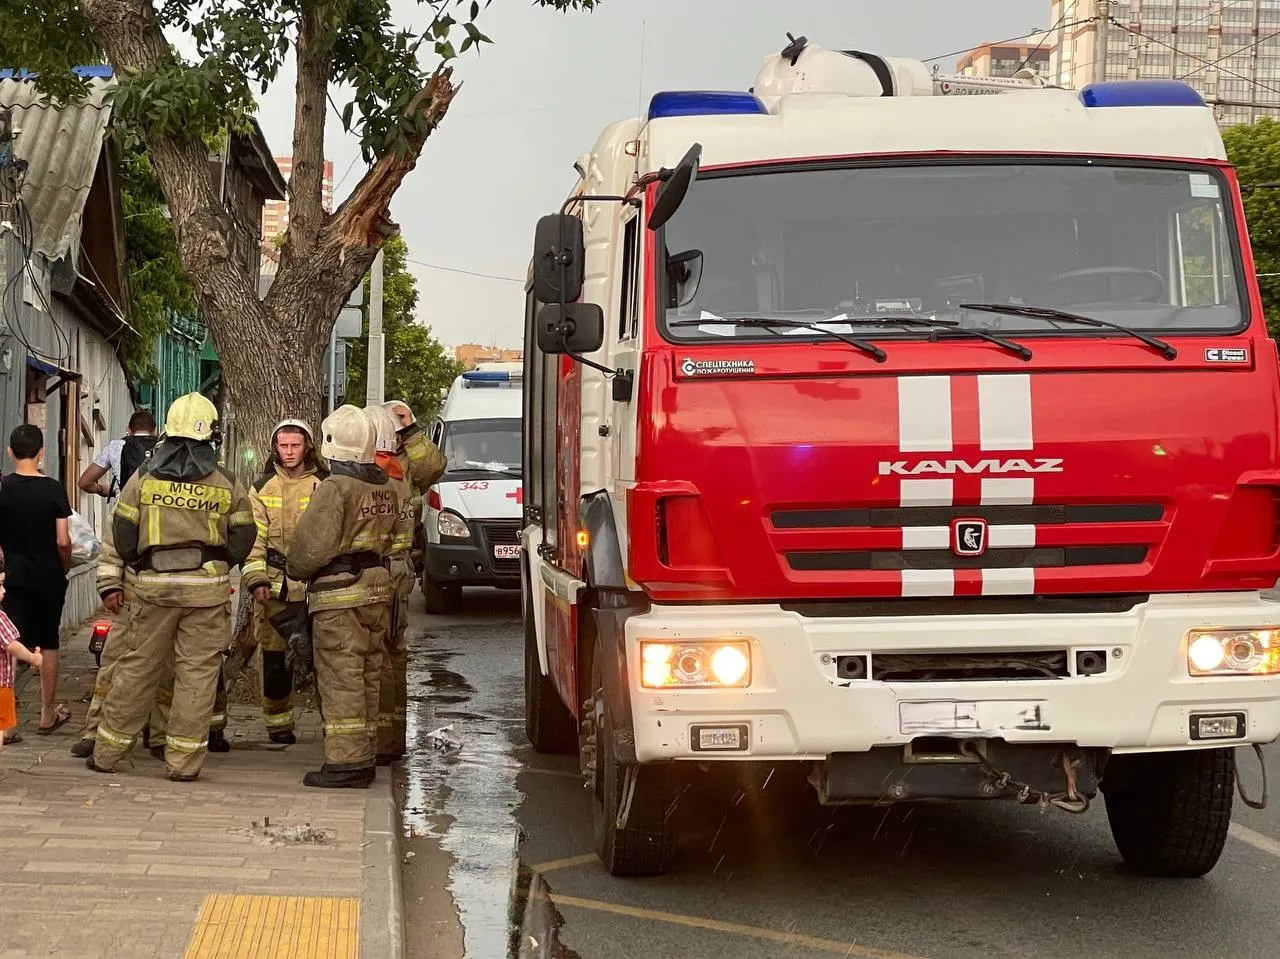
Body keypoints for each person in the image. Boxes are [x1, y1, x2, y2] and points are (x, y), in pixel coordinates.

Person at [89, 392, 255, 782]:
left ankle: (108, 753)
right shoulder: (227, 481)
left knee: (137, 668)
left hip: (153, 591)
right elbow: (244, 536)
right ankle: (183, 763)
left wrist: (138, 566)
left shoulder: (143, 477)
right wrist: (217, 563)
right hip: (206, 593)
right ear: (212, 433)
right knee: (197, 676)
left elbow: (123, 534)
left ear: (169, 428)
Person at [287, 405, 399, 789]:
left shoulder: (336, 487)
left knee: (342, 677)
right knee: (368, 675)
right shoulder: (384, 484)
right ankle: (363, 754)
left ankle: (346, 763)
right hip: (377, 590)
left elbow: (308, 549)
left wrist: (294, 567)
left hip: (340, 596)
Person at [241, 419, 326, 744]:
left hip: (316, 588)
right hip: (274, 589)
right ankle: (278, 726)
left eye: (295, 445)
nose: (289, 452)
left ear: (307, 447)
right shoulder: (261, 488)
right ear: (274, 448)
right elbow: (254, 541)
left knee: (325, 659)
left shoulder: (324, 484)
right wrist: (256, 579)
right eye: (283, 445)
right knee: (275, 661)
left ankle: (332, 724)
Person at [0, 424, 72, 739]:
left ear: (10, 452)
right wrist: (63, 567)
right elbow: (63, 541)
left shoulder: (2, 488)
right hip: (48, 577)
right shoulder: (54, 488)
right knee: (50, 641)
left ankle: (7, 722)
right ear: (41, 451)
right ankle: (46, 714)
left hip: (14, 577)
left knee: (7, 645)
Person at [366, 405, 415, 766]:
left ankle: (382, 741)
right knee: (395, 653)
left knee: (378, 655)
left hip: (381, 570)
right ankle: (394, 736)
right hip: (400, 571)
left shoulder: (374, 477)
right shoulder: (399, 472)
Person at [0, 563, 44, 751]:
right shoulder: (0, 617)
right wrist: (33, 659)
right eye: (0, 584)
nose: (3, 590)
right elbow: (12, 645)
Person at [78, 410, 158, 502]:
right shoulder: (164, 447)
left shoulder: (116, 446)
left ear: (128, 430)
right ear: (155, 430)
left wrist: (102, 489)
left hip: (125, 511)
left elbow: (84, 483)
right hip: (156, 509)